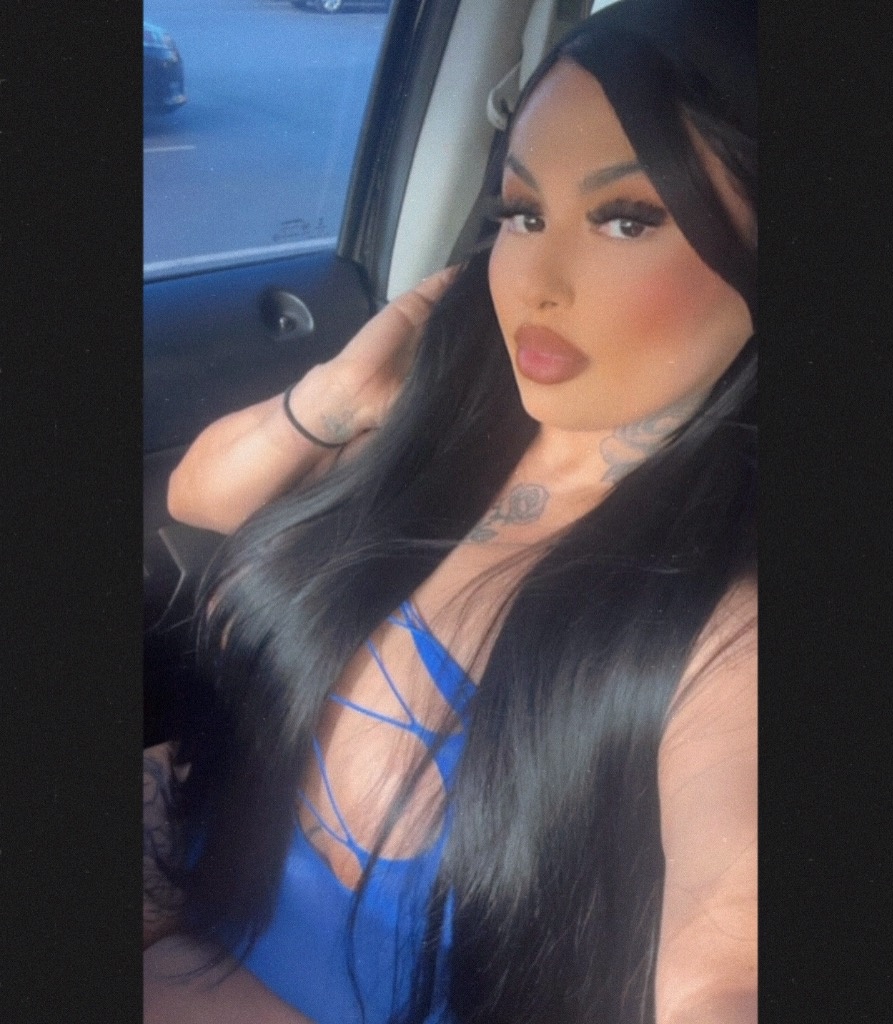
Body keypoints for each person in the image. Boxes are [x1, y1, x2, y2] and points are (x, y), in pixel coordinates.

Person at [144, 1, 757, 1021]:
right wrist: (341, 392)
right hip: (191, 893)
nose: (536, 282)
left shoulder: (726, 623)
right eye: (523, 212)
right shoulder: (451, 411)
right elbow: (197, 498)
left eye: (625, 218)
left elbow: (729, 960)